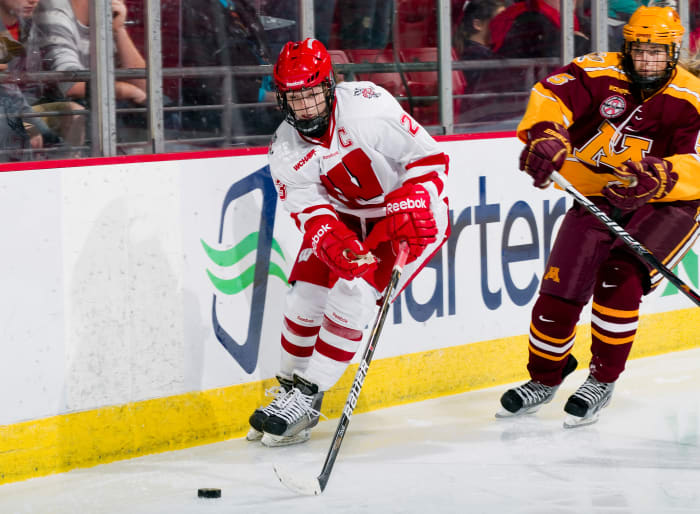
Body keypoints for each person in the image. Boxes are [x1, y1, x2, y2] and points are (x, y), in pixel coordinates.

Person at [497, 5, 700, 428]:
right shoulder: (597, 71)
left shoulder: (691, 97)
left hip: (671, 203)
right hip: (600, 196)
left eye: (656, 53)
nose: (646, 61)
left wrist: (666, 175)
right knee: (558, 292)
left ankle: (602, 379)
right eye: (639, 50)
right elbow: (551, 97)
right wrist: (546, 134)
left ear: (674, 52)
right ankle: (545, 378)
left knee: (619, 277)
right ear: (626, 46)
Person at [247, 38, 450, 447]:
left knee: (353, 293)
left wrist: (414, 199)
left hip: (402, 215)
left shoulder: (368, 108)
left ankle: (308, 398)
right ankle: (288, 388)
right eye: (293, 98)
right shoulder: (284, 148)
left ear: (329, 86)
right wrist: (331, 239)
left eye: (310, 94)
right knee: (303, 296)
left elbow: (430, 159)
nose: (304, 108)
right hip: (344, 218)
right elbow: (309, 210)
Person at [34, 0, 147, 145]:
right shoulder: (54, 10)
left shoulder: (106, 17)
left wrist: (119, 30)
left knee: (165, 108)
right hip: (52, 107)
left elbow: (146, 86)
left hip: (99, 111)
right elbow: (71, 84)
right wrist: (131, 91)